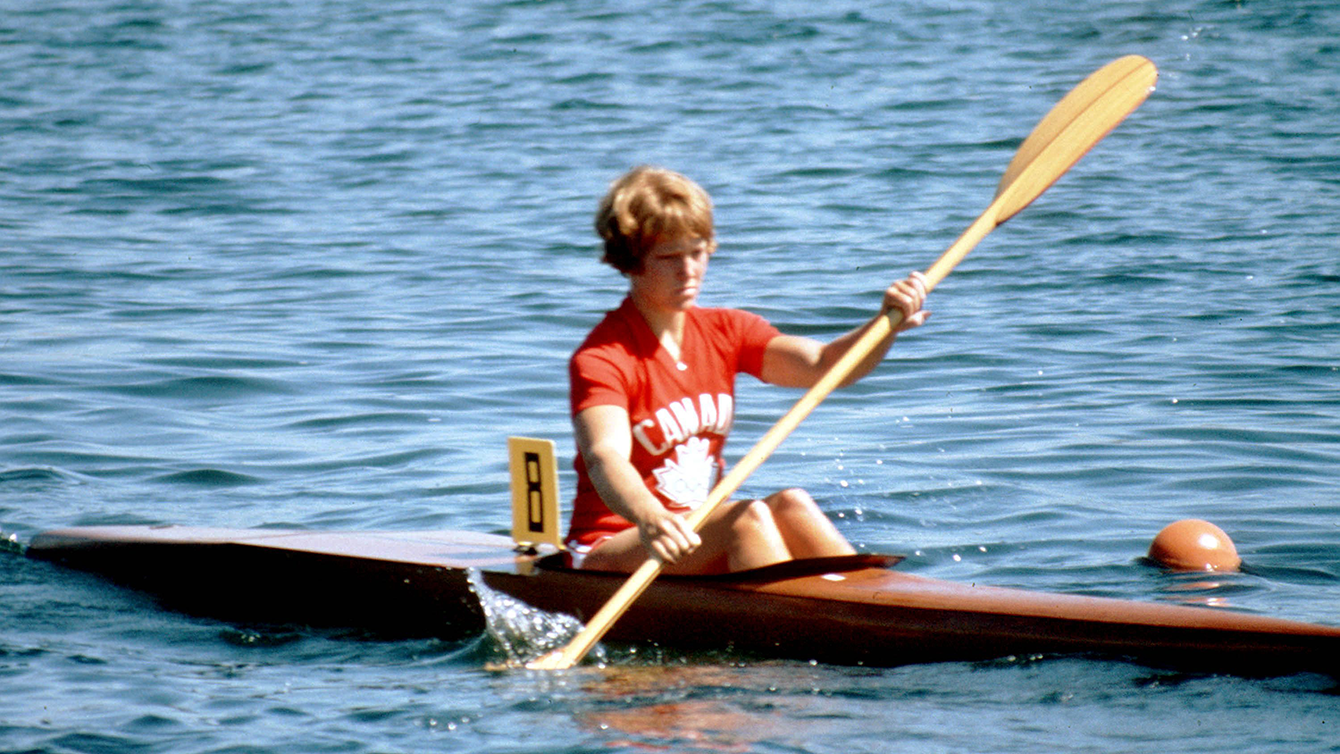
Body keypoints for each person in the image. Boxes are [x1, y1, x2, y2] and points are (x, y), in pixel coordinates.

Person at [565, 166, 928, 575]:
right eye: (669, 257)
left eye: (698, 252)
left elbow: (826, 365)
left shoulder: (727, 330)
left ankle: (872, 601)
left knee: (792, 503)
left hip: (695, 533)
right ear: (630, 262)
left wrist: (884, 326)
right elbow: (605, 456)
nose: (689, 270)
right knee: (746, 518)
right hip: (615, 543)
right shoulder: (603, 357)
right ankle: (811, 624)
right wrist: (650, 516)